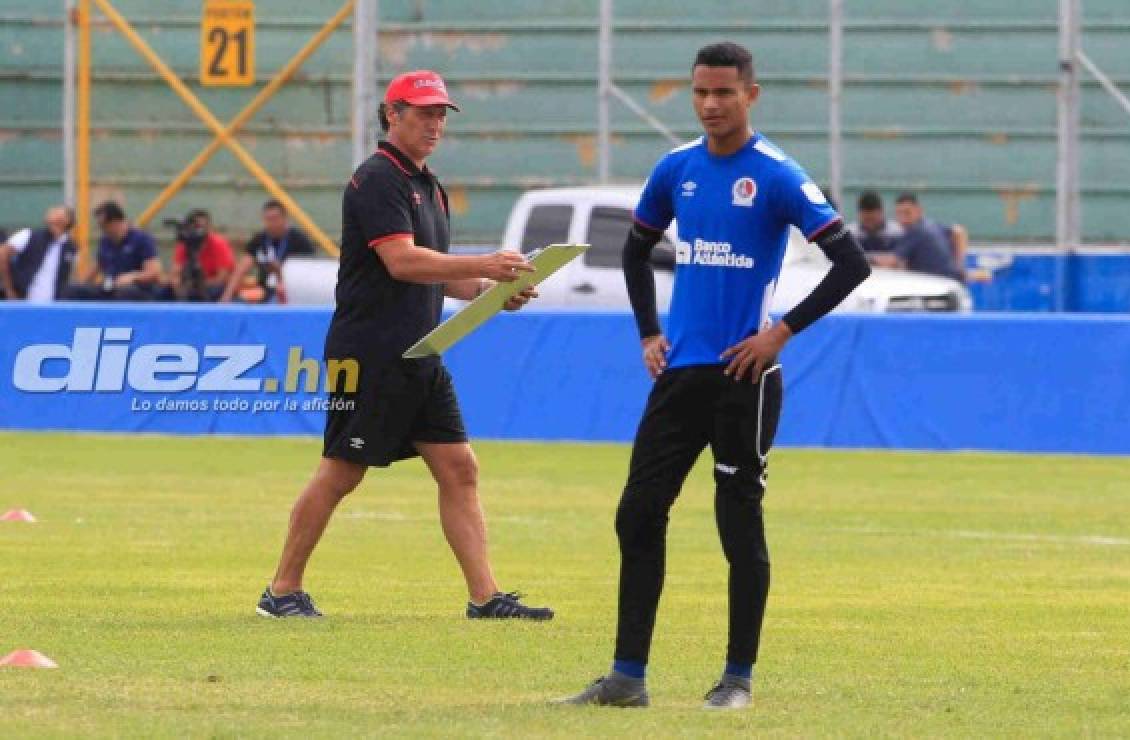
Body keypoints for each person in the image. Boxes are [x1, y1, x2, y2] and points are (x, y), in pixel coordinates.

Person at [558, 42, 870, 710]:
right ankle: (626, 678)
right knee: (638, 514)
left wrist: (778, 333)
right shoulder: (676, 170)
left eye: (723, 93)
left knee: (738, 523)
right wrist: (648, 331)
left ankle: (736, 680)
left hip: (745, 379)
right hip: (681, 376)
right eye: (700, 92)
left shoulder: (779, 175)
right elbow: (636, 249)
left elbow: (852, 265)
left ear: (750, 95)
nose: (709, 104)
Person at [257, 69, 554, 622]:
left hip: (420, 351)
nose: (435, 123)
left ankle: (486, 598)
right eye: (424, 112)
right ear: (392, 115)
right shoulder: (378, 179)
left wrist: (491, 291)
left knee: (459, 467)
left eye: (442, 113)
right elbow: (401, 260)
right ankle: (281, 590)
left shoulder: (428, 186)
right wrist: (484, 261)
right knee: (343, 470)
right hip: (370, 352)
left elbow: (439, 277)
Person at [220, 199, 315, 303]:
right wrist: (226, 296)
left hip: (290, 291)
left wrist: (280, 272)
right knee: (238, 303)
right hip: (264, 290)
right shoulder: (259, 239)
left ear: (285, 218)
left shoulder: (300, 241)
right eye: (268, 219)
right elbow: (242, 269)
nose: (272, 223)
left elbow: (308, 274)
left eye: (275, 219)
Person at [70, 201, 161, 301]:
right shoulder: (105, 241)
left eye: (104, 226)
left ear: (116, 222)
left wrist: (133, 277)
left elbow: (154, 272)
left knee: (125, 292)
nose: (103, 230)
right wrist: (81, 284)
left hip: (135, 289)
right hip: (110, 287)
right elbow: (96, 267)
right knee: (74, 290)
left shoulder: (142, 239)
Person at [871, 193, 964, 282]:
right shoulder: (932, 224)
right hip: (953, 282)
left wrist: (865, 258)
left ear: (919, 211)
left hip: (938, 287)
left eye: (907, 213)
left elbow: (891, 261)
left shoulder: (915, 231)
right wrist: (959, 264)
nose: (903, 219)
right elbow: (959, 231)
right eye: (899, 214)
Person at [0, 204, 77, 303]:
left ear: (66, 220)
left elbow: (68, 275)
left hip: (54, 303)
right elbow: (2, 256)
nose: (51, 213)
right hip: (23, 299)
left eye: (56, 212)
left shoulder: (70, 247)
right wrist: (9, 290)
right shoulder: (29, 235)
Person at [162, 208, 235, 301]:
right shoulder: (186, 243)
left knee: (214, 291)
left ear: (209, 227)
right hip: (189, 285)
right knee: (165, 291)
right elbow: (175, 272)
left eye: (203, 227)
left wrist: (199, 285)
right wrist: (177, 284)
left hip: (211, 285)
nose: (200, 231)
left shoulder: (218, 244)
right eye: (196, 227)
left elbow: (222, 278)